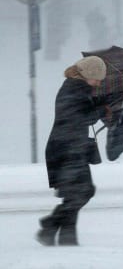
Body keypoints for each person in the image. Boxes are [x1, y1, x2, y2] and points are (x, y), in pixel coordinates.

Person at [36, 56, 111, 246]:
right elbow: (83, 116)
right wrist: (101, 110)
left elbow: (85, 109)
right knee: (84, 191)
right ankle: (50, 224)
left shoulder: (76, 89)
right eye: (97, 78)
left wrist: (103, 102)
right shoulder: (73, 90)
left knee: (74, 194)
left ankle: (67, 241)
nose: (98, 82)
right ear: (87, 74)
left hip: (69, 148)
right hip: (66, 149)